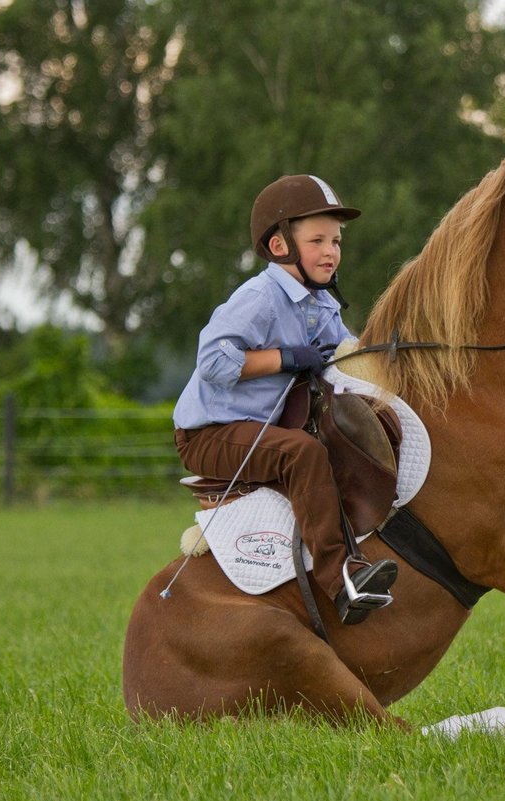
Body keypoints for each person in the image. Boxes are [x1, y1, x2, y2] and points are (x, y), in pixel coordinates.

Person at [172, 174, 398, 625]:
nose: (331, 251)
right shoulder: (260, 297)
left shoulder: (322, 304)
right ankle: (342, 580)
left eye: (336, 241)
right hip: (209, 434)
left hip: (260, 429)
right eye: (317, 240)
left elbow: (347, 361)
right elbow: (213, 362)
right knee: (302, 453)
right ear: (280, 247)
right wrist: (284, 358)